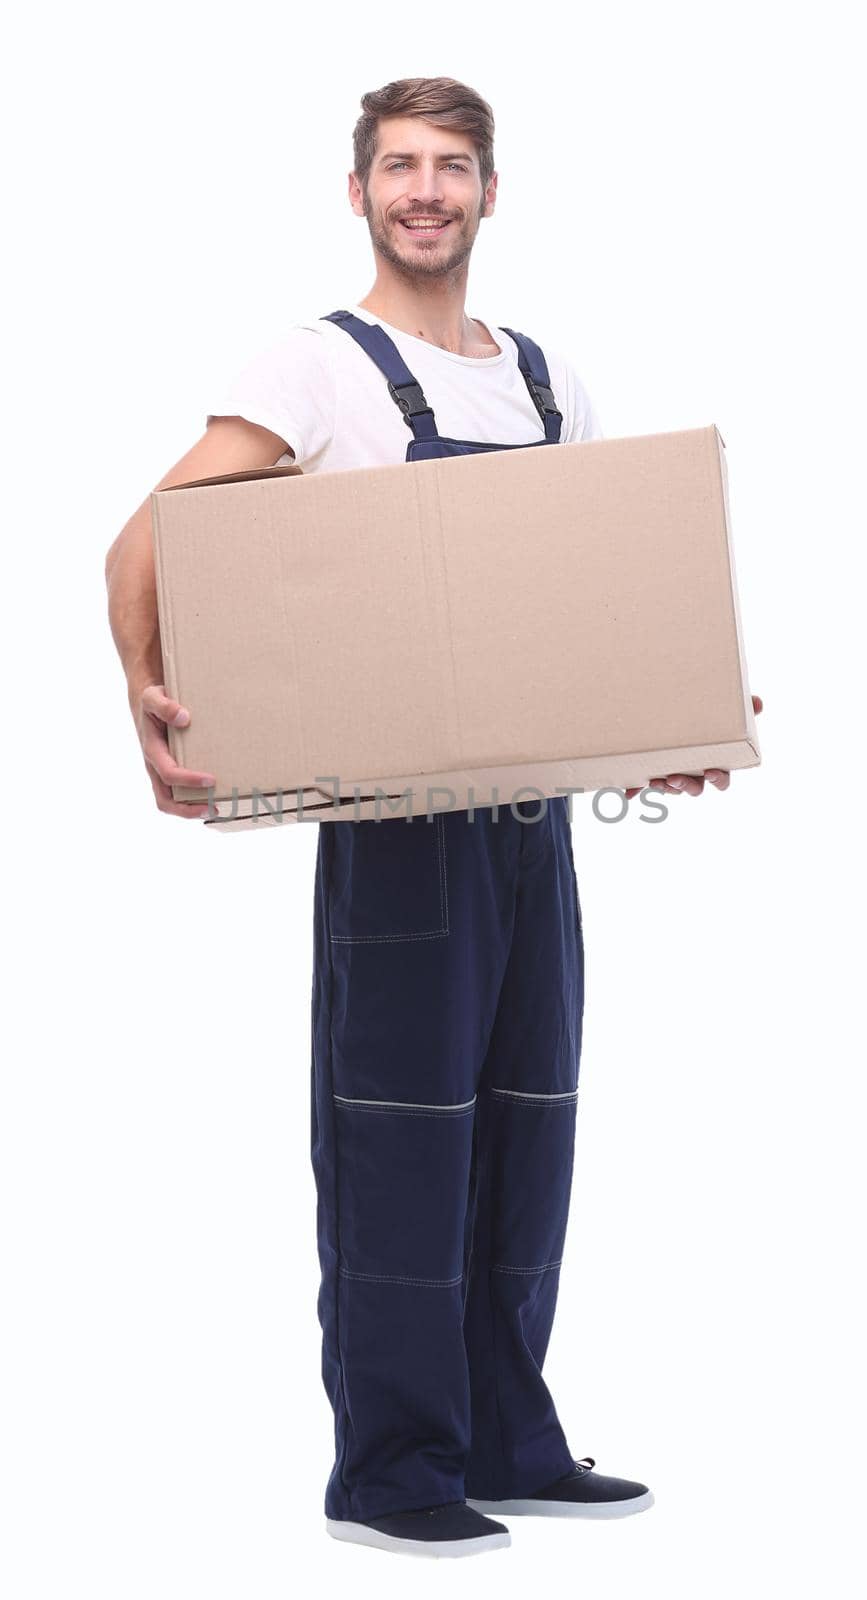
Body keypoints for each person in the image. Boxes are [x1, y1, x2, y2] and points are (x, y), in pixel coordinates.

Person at [105, 76, 763, 1560]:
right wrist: (143, 686)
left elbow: (578, 616)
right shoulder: (317, 369)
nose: (424, 190)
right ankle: (392, 1467)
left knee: (531, 1126)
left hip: (535, 829)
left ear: (487, 191)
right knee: (403, 1134)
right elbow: (150, 534)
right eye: (398, 166)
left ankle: (505, 1431)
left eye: (451, 167)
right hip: (396, 834)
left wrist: (667, 730)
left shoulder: (541, 380)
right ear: (360, 192)